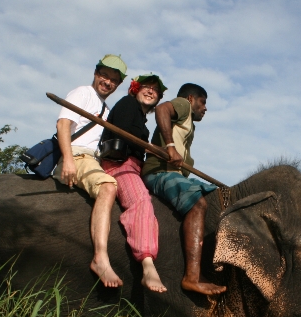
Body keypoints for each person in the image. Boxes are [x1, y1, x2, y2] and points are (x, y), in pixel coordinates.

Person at [141, 83, 226, 296]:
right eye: (203, 102)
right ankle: (191, 277)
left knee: (216, 194)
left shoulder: (189, 124)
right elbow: (161, 109)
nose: (205, 108)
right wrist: (170, 146)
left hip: (173, 174)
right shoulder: (183, 106)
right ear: (190, 99)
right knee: (198, 203)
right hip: (160, 173)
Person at [52, 54, 126, 288]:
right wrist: (68, 160)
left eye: (114, 80)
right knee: (107, 186)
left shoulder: (104, 108)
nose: (108, 82)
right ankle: (100, 258)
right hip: (77, 155)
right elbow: (63, 124)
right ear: (96, 74)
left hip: (92, 158)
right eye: (104, 75)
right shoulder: (83, 93)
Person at [98, 74, 169, 293]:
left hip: (135, 166)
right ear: (135, 89)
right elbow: (122, 132)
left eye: (155, 91)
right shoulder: (127, 104)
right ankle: (148, 265)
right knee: (141, 202)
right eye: (146, 87)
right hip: (119, 164)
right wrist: (151, 148)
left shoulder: (140, 116)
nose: (150, 92)